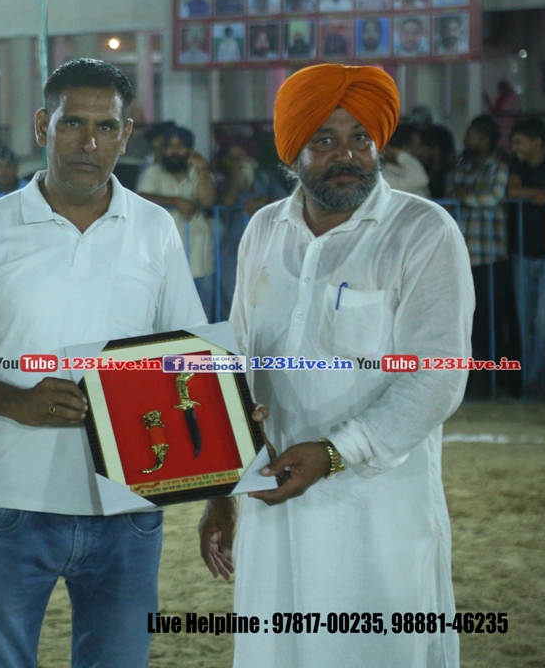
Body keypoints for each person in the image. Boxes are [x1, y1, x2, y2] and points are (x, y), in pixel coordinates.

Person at [0, 58, 206, 668]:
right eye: (72, 123)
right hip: (14, 496)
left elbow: (187, 359)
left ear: (125, 135)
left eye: (106, 127)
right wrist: (16, 402)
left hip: (129, 500)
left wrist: (221, 479)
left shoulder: (155, 229)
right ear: (41, 127)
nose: (89, 142)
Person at [201, 64, 472, 668]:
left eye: (360, 138)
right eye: (324, 140)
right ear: (292, 151)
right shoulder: (263, 230)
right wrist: (220, 490)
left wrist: (336, 452)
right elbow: (237, 364)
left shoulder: (422, 232)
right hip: (273, 500)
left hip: (378, 508)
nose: (346, 155)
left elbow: (438, 378)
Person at [446, 115, 518, 396]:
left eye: (472, 134)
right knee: (468, 323)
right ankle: (474, 382)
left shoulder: (498, 169)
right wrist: (467, 196)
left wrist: (465, 196)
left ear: (487, 139)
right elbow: (452, 196)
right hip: (463, 258)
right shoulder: (460, 169)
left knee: (492, 322)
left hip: (489, 257)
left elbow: (491, 197)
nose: (466, 139)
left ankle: (496, 381)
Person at [138, 122, 217, 319]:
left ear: (190, 151)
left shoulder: (199, 174)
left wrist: (203, 168)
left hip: (199, 263)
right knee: (169, 322)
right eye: (170, 146)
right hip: (165, 266)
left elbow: (208, 201)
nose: (174, 151)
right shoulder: (153, 173)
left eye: (180, 146)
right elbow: (141, 198)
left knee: (201, 322)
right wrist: (175, 201)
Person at [215, 136, 288, 319]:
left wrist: (262, 201)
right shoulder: (221, 182)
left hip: (266, 245)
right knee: (232, 299)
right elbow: (227, 201)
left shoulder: (266, 178)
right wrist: (233, 175)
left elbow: (285, 201)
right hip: (232, 248)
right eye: (231, 158)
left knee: (265, 297)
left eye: (241, 157)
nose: (238, 162)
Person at [506, 118, 545, 397]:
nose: (514, 148)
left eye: (519, 142)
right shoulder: (518, 166)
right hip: (523, 252)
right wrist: (544, 194)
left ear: (537, 142)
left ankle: (536, 380)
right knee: (526, 320)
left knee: (544, 319)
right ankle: (529, 382)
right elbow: (512, 191)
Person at [381, 124, 430, 197]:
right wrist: (401, 155)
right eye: (417, 146)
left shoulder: (401, 170)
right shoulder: (383, 176)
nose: (421, 151)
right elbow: (421, 180)